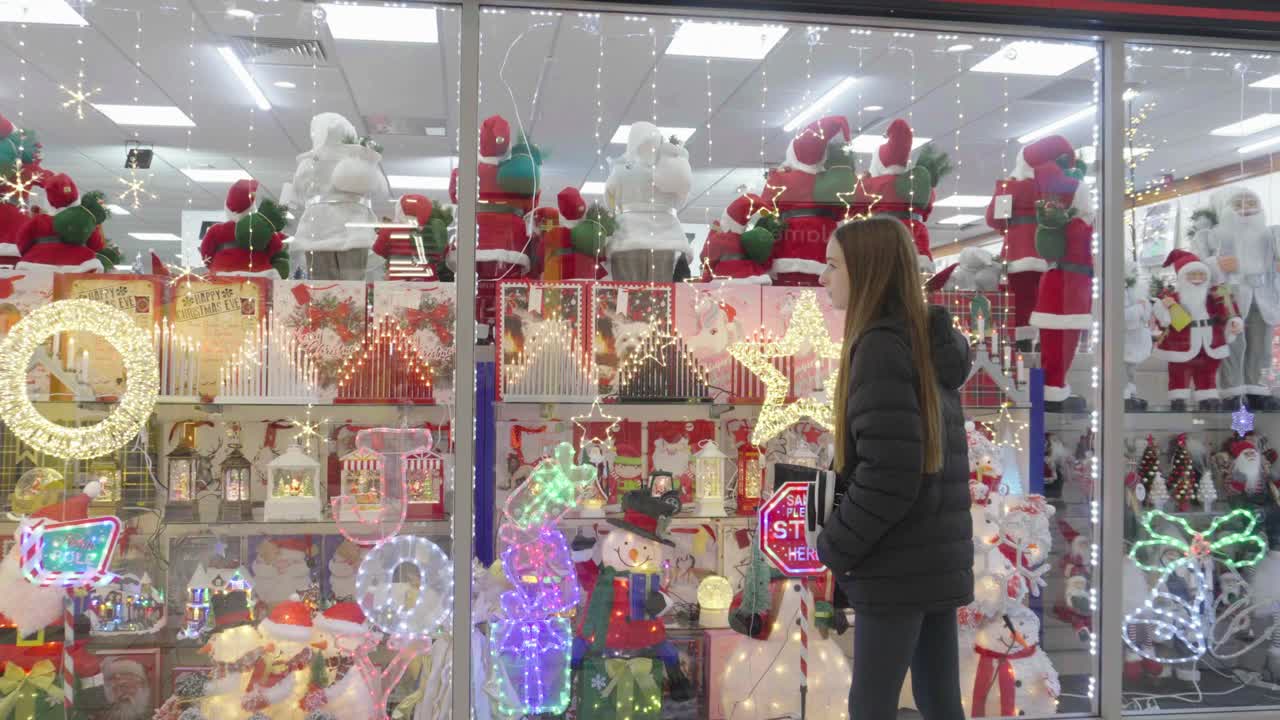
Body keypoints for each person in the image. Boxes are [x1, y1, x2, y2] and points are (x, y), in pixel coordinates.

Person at [815, 216, 974, 720]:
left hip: (897, 564)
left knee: (872, 703)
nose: (824, 277)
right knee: (938, 698)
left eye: (833, 265)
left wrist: (834, 543)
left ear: (867, 273)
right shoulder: (921, 343)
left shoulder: (880, 347)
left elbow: (890, 474)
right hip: (931, 560)